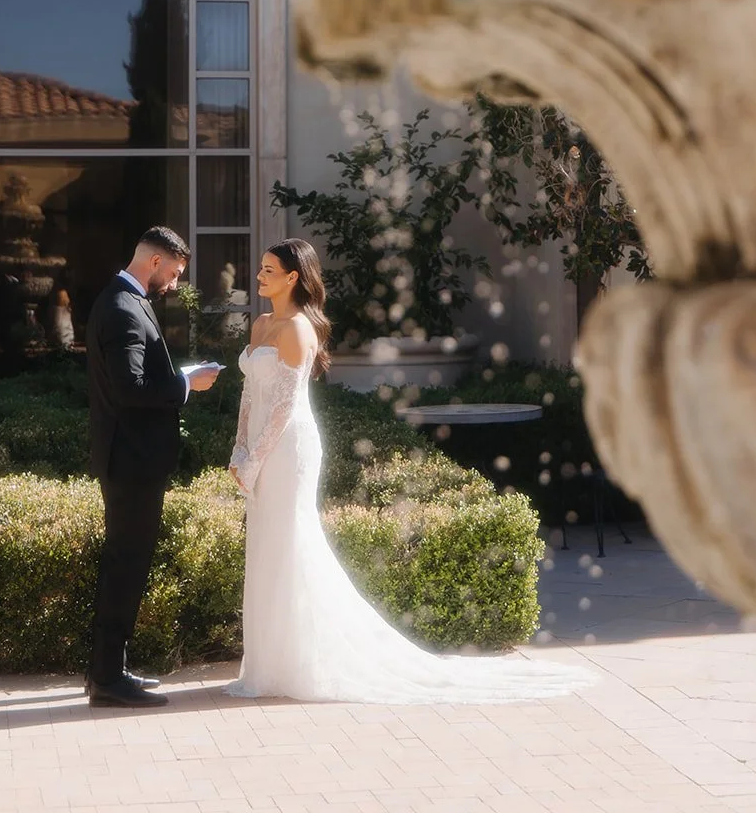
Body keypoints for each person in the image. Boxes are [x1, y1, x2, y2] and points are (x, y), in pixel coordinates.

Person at [226, 237, 592, 704]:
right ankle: (267, 665)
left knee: (290, 543)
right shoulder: (261, 324)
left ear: (293, 277)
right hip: (260, 446)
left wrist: (256, 458)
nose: (259, 276)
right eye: (261, 268)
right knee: (265, 545)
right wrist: (239, 450)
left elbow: (282, 407)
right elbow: (251, 395)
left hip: (287, 448)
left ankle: (299, 662)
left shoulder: (298, 329)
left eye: (269, 270)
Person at [85, 226, 222, 708]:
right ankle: (107, 679)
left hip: (129, 457)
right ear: (156, 262)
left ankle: (109, 670)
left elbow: (135, 379)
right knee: (126, 564)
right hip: (132, 461)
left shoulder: (124, 298)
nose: (176, 283)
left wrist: (178, 376)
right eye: (176, 273)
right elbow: (132, 388)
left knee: (125, 562)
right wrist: (187, 386)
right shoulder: (124, 307)